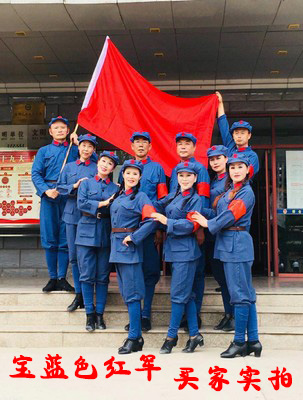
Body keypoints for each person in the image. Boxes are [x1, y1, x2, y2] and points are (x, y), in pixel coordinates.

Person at [192, 153, 262, 358]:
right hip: (229, 244)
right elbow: (218, 213)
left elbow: (231, 215)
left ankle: (240, 342)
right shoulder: (230, 191)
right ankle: (254, 341)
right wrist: (200, 213)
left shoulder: (246, 192)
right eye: (233, 167)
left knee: (239, 295)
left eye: (241, 167)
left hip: (237, 244)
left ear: (248, 170)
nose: (236, 170)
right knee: (246, 295)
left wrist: (208, 225)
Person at [152, 161, 204, 354]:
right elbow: (157, 205)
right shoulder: (174, 196)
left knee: (177, 295)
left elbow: (192, 225)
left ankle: (171, 337)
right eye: (181, 176)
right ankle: (195, 335)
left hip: (186, 252)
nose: (184, 179)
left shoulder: (195, 199)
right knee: (186, 294)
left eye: (188, 176)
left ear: (195, 178)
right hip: (175, 251)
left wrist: (167, 221)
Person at [121, 131, 168, 331]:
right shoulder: (126, 168)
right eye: (137, 142)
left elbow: (163, 198)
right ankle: (134, 315)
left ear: (150, 147)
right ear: (131, 147)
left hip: (149, 229)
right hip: (129, 230)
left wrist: (158, 228)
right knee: (133, 274)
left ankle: (146, 314)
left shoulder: (156, 168)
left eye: (144, 143)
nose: (140, 146)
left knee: (149, 272)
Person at [110, 159, 157, 354]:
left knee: (133, 294)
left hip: (129, 249)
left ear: (139, 178)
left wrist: (135, 236)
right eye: (128, 173)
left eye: (135, 174)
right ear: (123, 175)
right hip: (116, 248)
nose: (131, 176)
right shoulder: (118, 195)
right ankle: (135, 336)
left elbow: (152, 219)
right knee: (126, 293)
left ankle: (135, 337)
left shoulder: (141, 197)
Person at [32, 116, 80, 292]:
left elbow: (94, 161)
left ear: (68, 131)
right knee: (49, 238)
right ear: (51, 131)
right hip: (49, 196)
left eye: (63, 128)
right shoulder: (44, 151)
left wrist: (79, 142)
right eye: (56, 128)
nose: (60, 130)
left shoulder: (75, 150)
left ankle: (62, 277)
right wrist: (46, 190)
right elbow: (36, 174)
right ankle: (52, 277)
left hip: (67, 196)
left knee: (65, 238)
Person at [169, 132, 210, 329]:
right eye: (180, 144)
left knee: (196, 273)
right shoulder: (175, 169)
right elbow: (171, 198)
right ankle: (186, 314)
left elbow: (202, 198)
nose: (183, 147)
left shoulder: (199, 169)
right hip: (176, 232)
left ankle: (195, 314)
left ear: (194, 148)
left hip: (192, 229)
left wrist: (198, 228)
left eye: (187, 144)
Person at [75, 151, 120, 332]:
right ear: (98, 162)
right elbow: (81, 204)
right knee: (86, 275)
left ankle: (100, 314)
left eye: (109, 163)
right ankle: (89, 314)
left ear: (113, 168)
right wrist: (102, 204)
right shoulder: (86, 183)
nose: (105, 165)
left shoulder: (116, 188)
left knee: (102, 277)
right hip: (85, 232)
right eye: (103, 161)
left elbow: (116, 209)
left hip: (104, 233)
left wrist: (104, 204)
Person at [57, 134, 98, 312]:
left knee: (88, 257)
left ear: (94, 150)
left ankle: (89, 292)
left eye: (90, 146)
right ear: (78, 147)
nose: (86, 149)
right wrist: (74, 186)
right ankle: (79, 294)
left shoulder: (98, 168)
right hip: (72, 215)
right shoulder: (69, 167)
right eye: (83, 145)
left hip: (89, 216)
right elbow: (60, 187)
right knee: (74, 257)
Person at [204, 145, 234, 331]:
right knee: (221, 278)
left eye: (218, 158)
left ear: (226, 159)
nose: (215, 162)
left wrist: (201, 212)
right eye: (212, 159)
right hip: (213, 235)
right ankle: (228, 314)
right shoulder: (214, 180)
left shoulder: (231, 182)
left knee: (229, 279)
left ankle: (234, 316)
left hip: (226, 233)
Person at [215, 91, 259, 178]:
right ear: (233, 135)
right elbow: (222, 124)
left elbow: (246, 177)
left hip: (241, 189)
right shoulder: (230, 146)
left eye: (243, 133)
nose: (239, 136)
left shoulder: (252, 156)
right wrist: (220, 103)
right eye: (236, 133)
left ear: (249, 135)